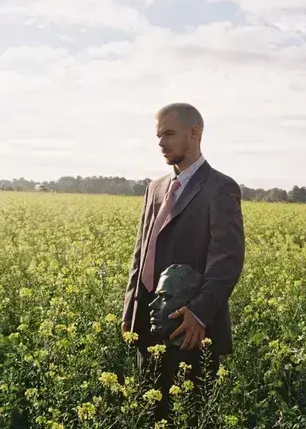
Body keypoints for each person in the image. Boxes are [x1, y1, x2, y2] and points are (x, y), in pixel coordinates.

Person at [120, 102, 245, 421]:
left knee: (186, 414)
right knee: (149, 412)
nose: (161, 142)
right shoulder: (155, 188)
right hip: (148, 320)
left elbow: (227, 261)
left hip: (188, 327)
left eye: (170, 134)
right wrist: (129, 310)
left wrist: (200, 315)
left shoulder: (220, 187)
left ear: (194, 133)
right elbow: (141, 252)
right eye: (159, 135)